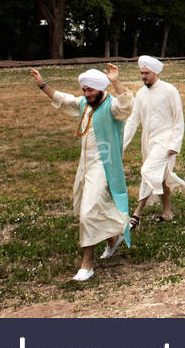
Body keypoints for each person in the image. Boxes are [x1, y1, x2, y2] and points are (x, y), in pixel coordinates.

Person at [28, 64, 134, 282]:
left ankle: (87, 265)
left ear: (100, 89)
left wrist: (116, 81)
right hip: (84, 166)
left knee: (88, 213)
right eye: (84, 90)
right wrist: (42, 85)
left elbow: (127, 105)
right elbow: (65, 99)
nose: (86, 94)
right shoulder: (85, 104)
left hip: (103, 166)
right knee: (82, 208)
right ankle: (114, 238)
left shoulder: (112, 105)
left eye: (90, 91)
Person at [123, 55, 185, 228]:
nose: (143, 76)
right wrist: (121, 144)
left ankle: (136, 215)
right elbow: (133, 121)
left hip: (166, 142)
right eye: (141, 73)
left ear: (155, 72)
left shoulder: (169, 90)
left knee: (148, 171)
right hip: (149, 142)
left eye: (146, 73)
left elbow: (178, 119)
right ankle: (167, 212)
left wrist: (175, 144)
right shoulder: (141, 94)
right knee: (161, 177)